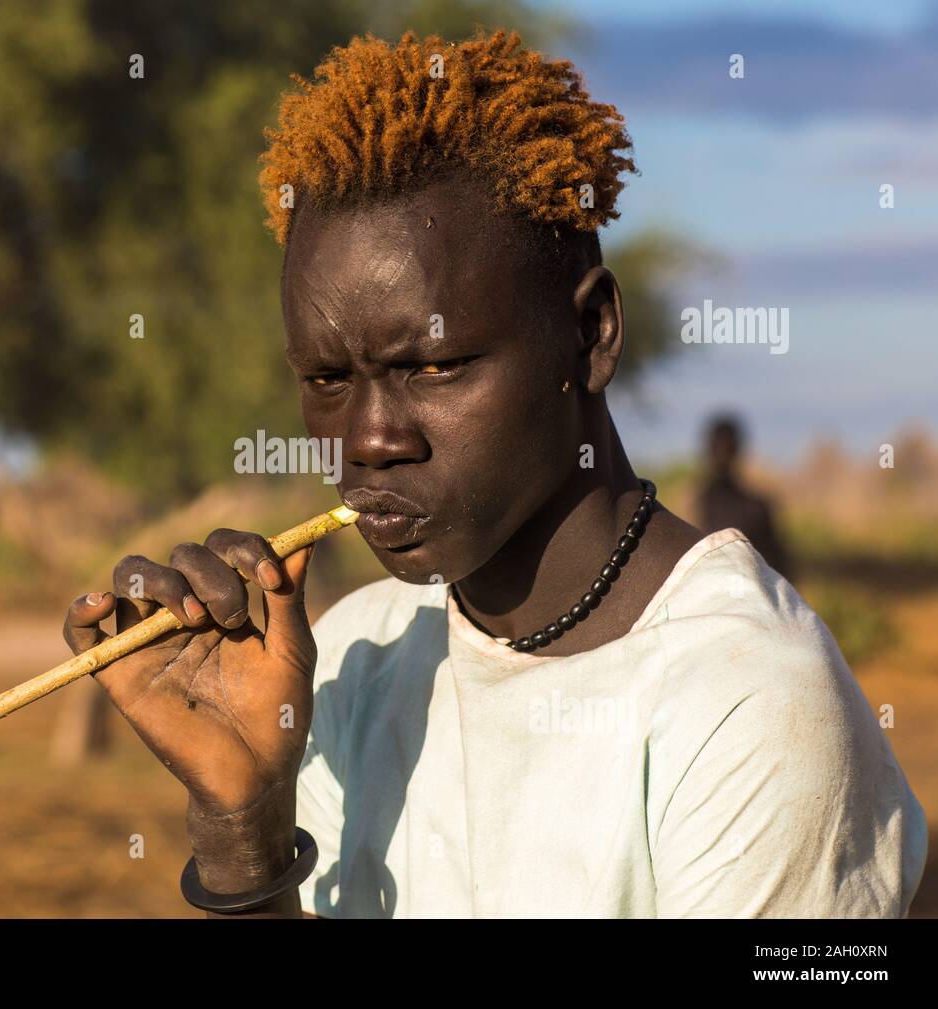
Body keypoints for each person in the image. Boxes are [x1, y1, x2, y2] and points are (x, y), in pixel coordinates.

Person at [61, 30, 926, 918]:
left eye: (432, 368)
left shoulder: (744, 699)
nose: (368, 439)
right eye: (326, 379)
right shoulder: (354, 663)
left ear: (591, 335)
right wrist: (243, 829)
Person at [696, 414, 795, 582]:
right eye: (718, 447)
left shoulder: (757, 509)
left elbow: (780, 571)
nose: (722, 455)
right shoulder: (694, 505)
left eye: (726, 448)